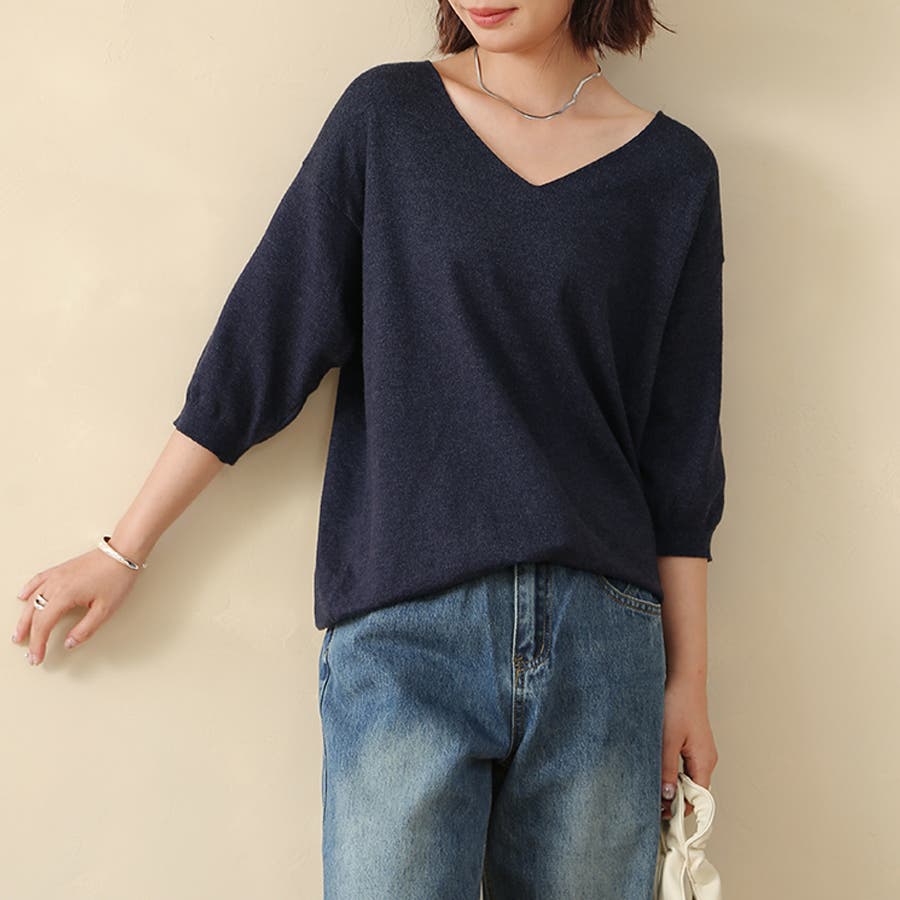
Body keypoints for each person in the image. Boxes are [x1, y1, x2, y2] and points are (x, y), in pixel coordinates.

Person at [12, 1, 726, 897]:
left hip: (603, 651)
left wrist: (688, 679)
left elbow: (680, 451)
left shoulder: (673, 172)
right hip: (405, 636)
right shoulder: (389, 120)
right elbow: (264, 346)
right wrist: (124, 548)